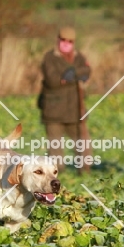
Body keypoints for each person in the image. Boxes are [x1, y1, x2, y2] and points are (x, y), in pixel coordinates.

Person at [38, 26, 92, 174]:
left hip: (75, 110)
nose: (66, 43)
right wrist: (74, 75)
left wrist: (71, 73)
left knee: (84, 148)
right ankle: (54, 179)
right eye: (63, 40)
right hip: (53, 111)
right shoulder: (49, 58)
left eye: (70, 41)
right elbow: (53, 80)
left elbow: (87, 71)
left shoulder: (79, 57)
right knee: (56, 154)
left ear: (74, 42)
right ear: (58, 40)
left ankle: (85, 174)